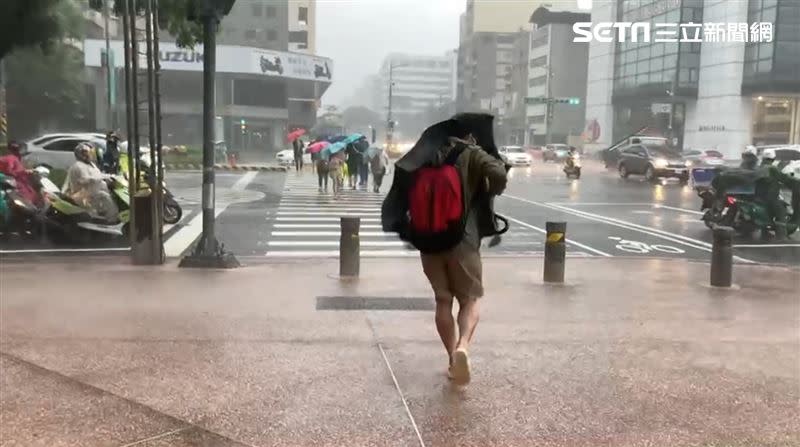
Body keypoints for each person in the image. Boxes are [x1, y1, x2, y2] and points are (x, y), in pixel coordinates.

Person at [415, 133, 508, 384]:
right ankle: (463, 346)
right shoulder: (472, 152)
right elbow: (498, 173)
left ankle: (450, 359)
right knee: (470, 299)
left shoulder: (423, 152)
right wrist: (492, 188)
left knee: (442, 300)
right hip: (463, 241)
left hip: (429, 239)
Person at [63, 143, 119, 222]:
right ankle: (112, 220)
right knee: (105, 197)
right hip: (82, 195)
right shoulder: (78, 166)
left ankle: (105, 217)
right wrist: (102, 178)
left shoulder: (91, 164)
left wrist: (111, 176)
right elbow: (84, 179)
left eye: (90, 152)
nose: (90, 155)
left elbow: (98, 175)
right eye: (86, 153)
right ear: (81, 154)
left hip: (92, 193)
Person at [0, 141, 41, 206]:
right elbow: (8, 171)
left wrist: (26, 171)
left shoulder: (15, 158)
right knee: (27, 195)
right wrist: (23, 172)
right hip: (17, 181)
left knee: (32, 193)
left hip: (22, 180)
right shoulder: (11, 158)